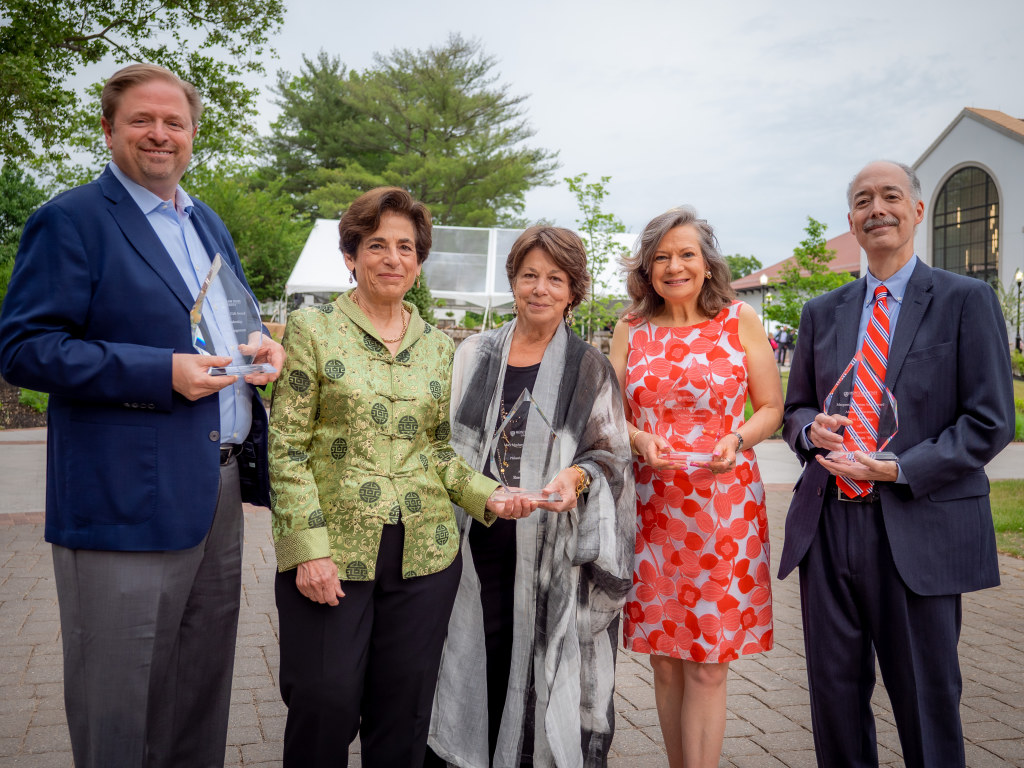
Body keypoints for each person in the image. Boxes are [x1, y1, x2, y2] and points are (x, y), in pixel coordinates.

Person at [0, 64, 283, 767]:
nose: (160, 134)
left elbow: (231, 318)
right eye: (142, 120)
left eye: (174, 122)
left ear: (193, 135)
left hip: (217, 491)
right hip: (123, 498)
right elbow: (25, 349)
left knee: (199, 697)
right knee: (118, 706)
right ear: (108, 129)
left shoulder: (205, 221)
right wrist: (161, 373)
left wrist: (262, 345)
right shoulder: (70, 220)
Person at [269, 187, 532, 768]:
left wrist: (490, 494)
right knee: (324, 701)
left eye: (406, 247)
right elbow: (286, 449)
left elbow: (436, 449)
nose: (393, 258)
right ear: (351, 256)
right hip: (333, 552)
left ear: (418, 261)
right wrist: (308, 550)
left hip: (424, 555)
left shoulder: (438, 345)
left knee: (405, 710)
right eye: (377, 245)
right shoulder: (312, 329)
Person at [778, 160, 1015, 768]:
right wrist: (810, 431)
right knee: (835, 702)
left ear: (917, 210)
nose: (876, 208)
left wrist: (899, 469)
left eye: (890, 196)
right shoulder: (822, 310)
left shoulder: (966, 300)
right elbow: (795, 407)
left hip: (916, 523)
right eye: (863, 200)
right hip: (828, 526)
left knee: (925, 703)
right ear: (851, 219)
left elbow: (990, 421)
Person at [427, 227, 635, 768]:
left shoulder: (589, 369)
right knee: (473, 660)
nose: (540, 289)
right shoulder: (472, 354)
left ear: (573, 291)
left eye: (555, 279)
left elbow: (611, 455)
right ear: (513, 281)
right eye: (529, 276)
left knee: (536, 676)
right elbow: (437, 442)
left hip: (551, 559)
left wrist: (576, 479)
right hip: (471, 546)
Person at [610, 207, 782, 768]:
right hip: (652, 510)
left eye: (686, 254)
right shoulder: (630, 329)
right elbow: (607, 415)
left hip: (723, 510)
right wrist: (638, 437)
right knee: (664, 660)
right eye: (660, 256)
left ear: (708, 264)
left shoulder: (739, 320)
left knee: (708, 663)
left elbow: (771, 408)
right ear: (646, 269)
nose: (674, 266)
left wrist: (737, 437)